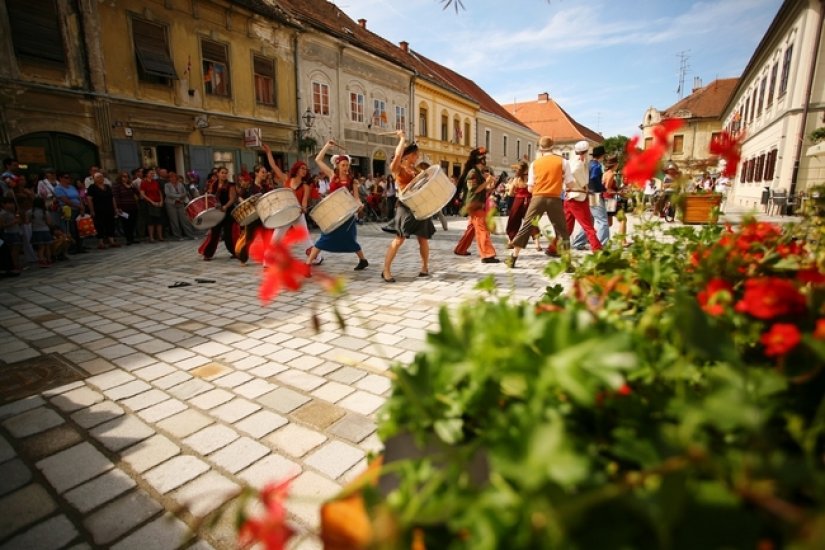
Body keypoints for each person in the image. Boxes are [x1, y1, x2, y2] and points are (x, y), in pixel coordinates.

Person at [505, 136, 570, 268]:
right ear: (553, 146)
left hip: (538, 197)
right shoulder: (563, 162)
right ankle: (568, 263)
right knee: (561, 229)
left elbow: (530, 187)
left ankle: (513, 258)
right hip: (554, 197)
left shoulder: (535, 164)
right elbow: (570, 182)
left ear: (540, 148)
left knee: (526, 226)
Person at [380, 133, 436, 282]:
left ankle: (424, 267)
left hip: (419, 207)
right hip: (405, 207)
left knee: (423, 239)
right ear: (409, 155)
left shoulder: (416, 170)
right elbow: (398, 154)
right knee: (399, 239)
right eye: (416, 155)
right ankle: (386, 270)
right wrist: (402, 139)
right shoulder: (398, 169)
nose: (417, 157)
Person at [305, 140, 368, 271]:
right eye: (343, 165)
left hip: (347, 213)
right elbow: (318, 159)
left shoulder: (353, 181)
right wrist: (327, 146)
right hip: (333, 212)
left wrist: (359, 206)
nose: (345, 168)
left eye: (347, 165)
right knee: (325, 236)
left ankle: (363, 260)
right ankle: (308, 264)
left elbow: (356, 198)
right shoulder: (332, 175)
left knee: (349, 239)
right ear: (338, 166)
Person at [271, 161, 324, 266]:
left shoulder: (305, 186)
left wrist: (304, 208)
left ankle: (317, 258)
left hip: (298, 214)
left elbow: (304, 202)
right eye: (302, 168)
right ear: (296, 169)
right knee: (276, 236)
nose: (304, 171)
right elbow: (274, 166)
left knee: (306, 239)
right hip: (286, 213)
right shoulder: (286, 179)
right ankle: (268, 261)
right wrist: (268, 153)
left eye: (306, 169)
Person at [453, 147, 500, 263]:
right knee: (482, 229)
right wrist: (487, 182)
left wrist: (491, 185)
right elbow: (474, 189)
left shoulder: (477, 172)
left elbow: (482, 189)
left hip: (476, 203)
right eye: (485, 158)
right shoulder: (472, 173)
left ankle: (460, 249)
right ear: (481, 160)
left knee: (472, 229)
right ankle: (487, 255)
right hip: (474, 205)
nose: (486, 161)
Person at [564, 141, 602, 252]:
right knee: (588, 225)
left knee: (567, 227)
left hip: (571, 197)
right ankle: (597, 248)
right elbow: (575, 171)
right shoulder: (578, 162)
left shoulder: (572, 161)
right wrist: (584, 185)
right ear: (584, 152)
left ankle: (554, 248)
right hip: (577, 197)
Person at [571, 145, 608, 250]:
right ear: (602, 155)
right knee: (602, 220)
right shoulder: (596, 166)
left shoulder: (589, 164)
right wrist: (602, 188)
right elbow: (594, 177)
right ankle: (600, 243)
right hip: (595, 194)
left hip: (589, 194)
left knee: (589, 220)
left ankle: (578, 242)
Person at [198, 166, 237, 260]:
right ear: (218, 174)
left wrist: (225, 207)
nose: (224, 174)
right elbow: (210, 196)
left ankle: (235, 252)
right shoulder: (213, 184)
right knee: (215, 233)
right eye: (222, 173)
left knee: (228, 234)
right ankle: (208, 254)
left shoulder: (230, 185)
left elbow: (232, 199)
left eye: (225, 173)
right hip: (217, 212)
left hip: (228, 212)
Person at [505, 161, 541, 250]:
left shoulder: (516, 179)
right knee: (533, 221)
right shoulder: (531, 178)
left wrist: (510, 204)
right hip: (530, 201)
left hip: (518, 201)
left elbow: (511, 193)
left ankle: (511, 241)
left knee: (513, 221)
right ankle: (537, 244)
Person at [53, 171, 87, 253]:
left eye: (70, 177)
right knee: (71, 229)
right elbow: (65, 200)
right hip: (69, 210)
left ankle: (80, 246)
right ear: (60, 178)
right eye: (66, 177)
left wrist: (82, 207)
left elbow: (78, 197)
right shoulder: (58, 188)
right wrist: (78, 206)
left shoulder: (72, 187)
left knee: (80, 229)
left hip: (78, 209)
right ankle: (73, 247)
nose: (69, 179)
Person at [87, 172, 120, 248]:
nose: (100, 178)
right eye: (98, 177)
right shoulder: (92, 187)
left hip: (109, 208)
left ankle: (111, 240)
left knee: (110, 224)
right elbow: (89, 199)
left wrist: (115, 208)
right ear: (94, 179)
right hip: (98, 209)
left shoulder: (107, 187)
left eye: (101, 177)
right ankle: (101, 242)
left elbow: (112, 198)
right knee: (99, 225)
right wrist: (92, 210)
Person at [164, 171, 195, 240]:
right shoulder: (167, 185)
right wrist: (178, 197)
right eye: (171, 177)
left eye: (174, 177)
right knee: (174, 220)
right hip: (171, 204)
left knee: (185, 220)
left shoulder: (180, 184)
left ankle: (190, 235)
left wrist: (181, 197)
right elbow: (168, 194)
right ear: (169, 178)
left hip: (180, 203)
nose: (173, 178)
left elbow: (185, 192)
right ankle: (178, 236)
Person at [112, 171, 139, 245]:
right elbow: (116, 197)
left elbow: (137, 193)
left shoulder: (130, 184)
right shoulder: (117, 185)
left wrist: (132, 186)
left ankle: (132, 238)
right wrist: (118, 207)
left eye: (126, 176)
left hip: (133, 206)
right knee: (126, 223)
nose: (125, 178)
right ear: (120, 177)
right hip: (123, 207)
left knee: (132, 223)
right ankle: (128, 239)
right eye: (123, 176)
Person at [139, 169, 165, 242]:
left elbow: (159, 192)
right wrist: (151, 201)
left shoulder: (155, 182)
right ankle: (151, 237)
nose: (152, 174)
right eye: (151, 173)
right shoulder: (144, 182)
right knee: (151, 221)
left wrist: (161, 201)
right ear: (146, 174)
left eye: (153, 173)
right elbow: (142, 194)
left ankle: (160, 236)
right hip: (149, 204)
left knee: (159, 221)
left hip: (158, 203)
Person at [28, 196, 54, 267]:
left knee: (40, 247)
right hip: (45, 230)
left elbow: (27, 221)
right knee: (47, 246)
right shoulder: (45, 212)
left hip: (36, 230)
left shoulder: (30, 212)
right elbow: (49, 223)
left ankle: (41, 260)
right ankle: (49, 259)